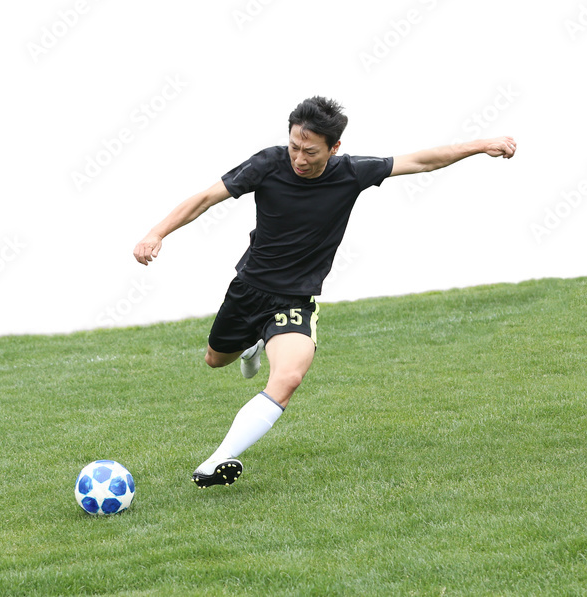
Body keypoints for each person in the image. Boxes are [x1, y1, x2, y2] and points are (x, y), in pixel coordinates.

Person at [132, 96, 516, 488]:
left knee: (289, 378)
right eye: (294, 147)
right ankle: (252, 345)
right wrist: (156, 233)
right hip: (248, 290)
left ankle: (217, 460)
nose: (299, 157)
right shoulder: (267, 164)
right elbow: (205, 199)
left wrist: (479, 145)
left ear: (333, 149)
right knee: (216, 360)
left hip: (294, 301)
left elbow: (422, 161)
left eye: (310, 151)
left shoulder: (351, 172)